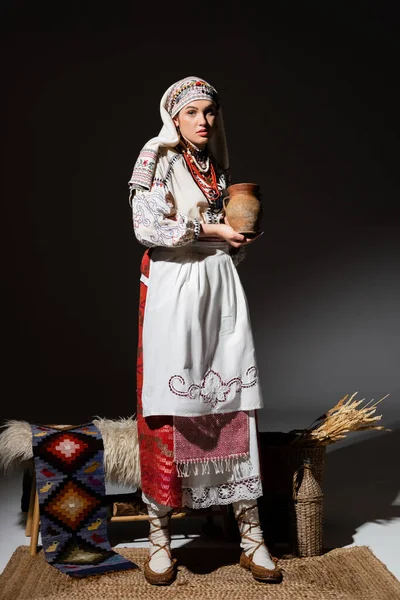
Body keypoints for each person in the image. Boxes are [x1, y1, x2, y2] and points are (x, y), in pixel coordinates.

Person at [128, 76, 283, 586]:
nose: (203, 121)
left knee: (231, 401)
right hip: (176, 287)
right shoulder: (155, 157)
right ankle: (159, 540)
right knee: (172, 406)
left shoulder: (213, 166)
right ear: (173, 115)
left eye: (210, 112)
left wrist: (236, 240)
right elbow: (146, 229)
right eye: (193, 112)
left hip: (219, 286)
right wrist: (208, 231)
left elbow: (222, 231)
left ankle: (251, 536)